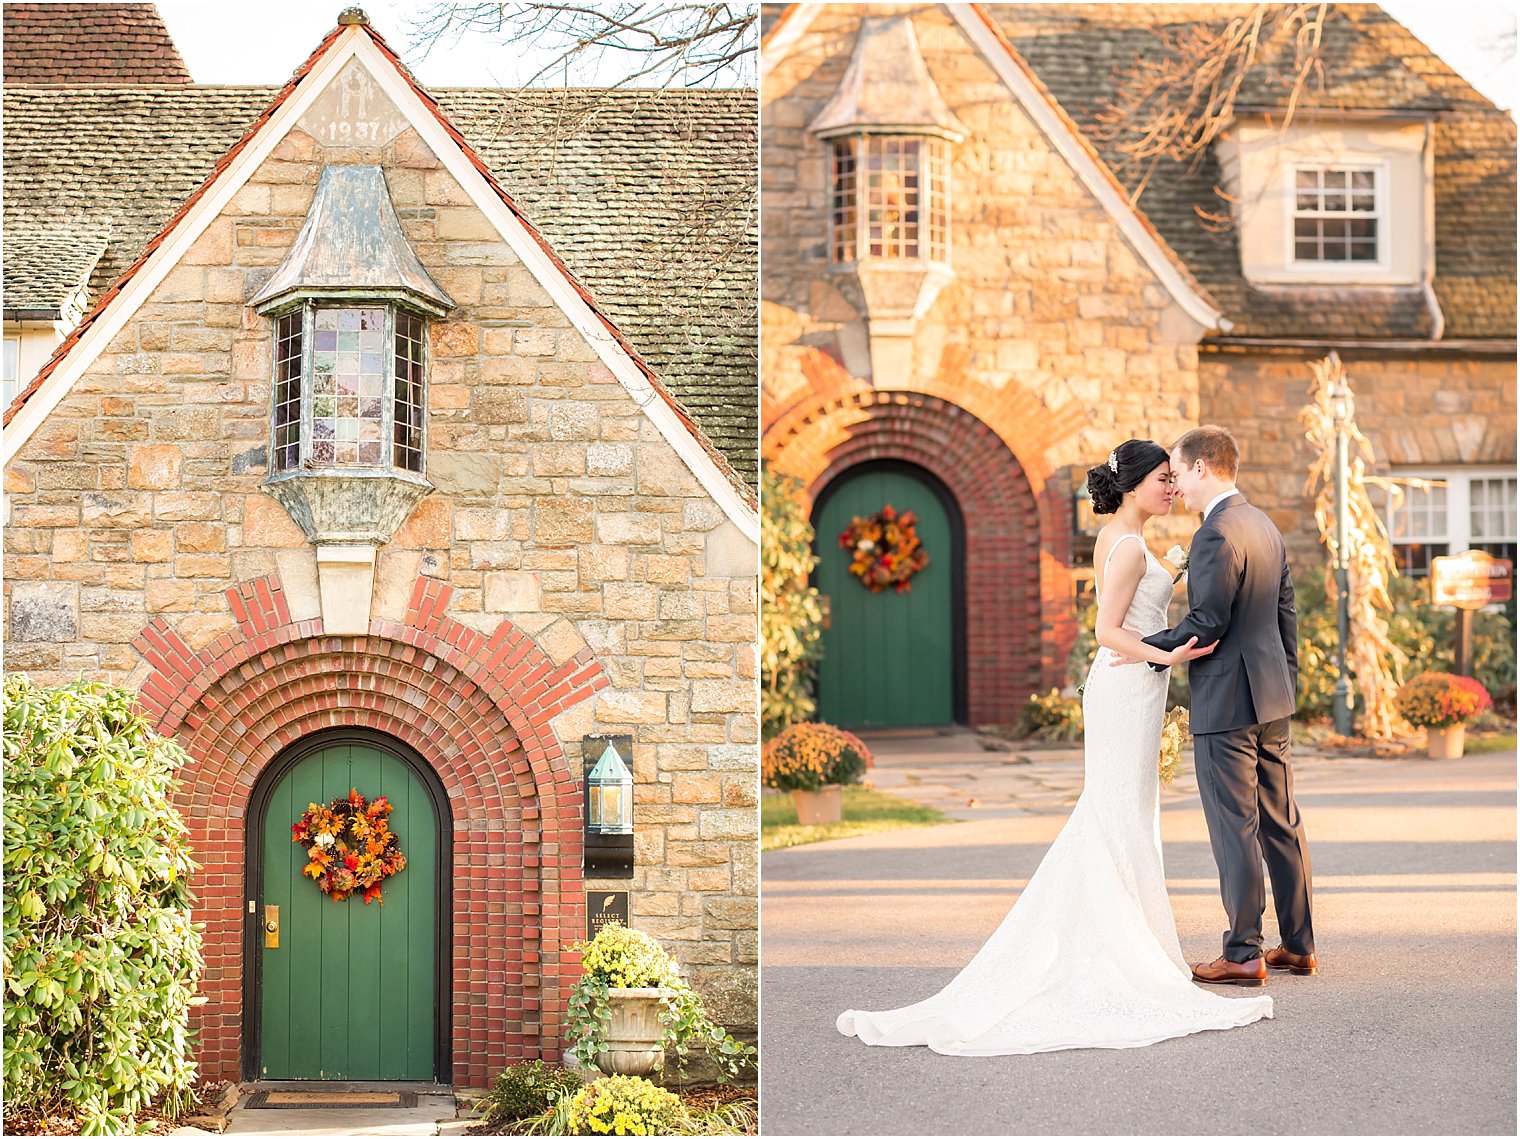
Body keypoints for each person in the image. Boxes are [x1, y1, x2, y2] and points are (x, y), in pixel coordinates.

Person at [836, 439, 1272, 1056]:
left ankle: (1129, 941)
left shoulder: (1130, 540)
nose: (1172, 489)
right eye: (1163, 480)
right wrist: (1166, 654)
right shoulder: (1123, 546)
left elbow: (1133, 612)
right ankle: (1116, 950)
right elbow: (1105, 630)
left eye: (1175, 479)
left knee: (1128, 815)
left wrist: (1167, 582)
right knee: (1117, 814)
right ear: (1132, 486)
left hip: (1136, 690)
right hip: (1125, 689)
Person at [1129, 425, 1317, 985]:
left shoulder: (1215, 535)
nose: (1177, 486)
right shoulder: (1263, 525)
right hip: (1271, 699)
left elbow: (1207, 625)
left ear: (1203, 468)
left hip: (1229, 702)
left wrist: (1143, 648)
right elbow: (1287, 616)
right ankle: (1299, 944)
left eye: (1180, 473)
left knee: (1235, 826)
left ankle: (1242, 954)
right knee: (1281, 821)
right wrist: (1288, 683)